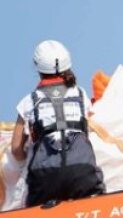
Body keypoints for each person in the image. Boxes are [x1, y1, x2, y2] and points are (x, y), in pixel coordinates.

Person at [9, 40, 103, 207]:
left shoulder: (28, 102)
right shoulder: (81, 94)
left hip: (44, 178)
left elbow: (16, 148)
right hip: (82, 173)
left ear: (38, 68)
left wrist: (25, 158)